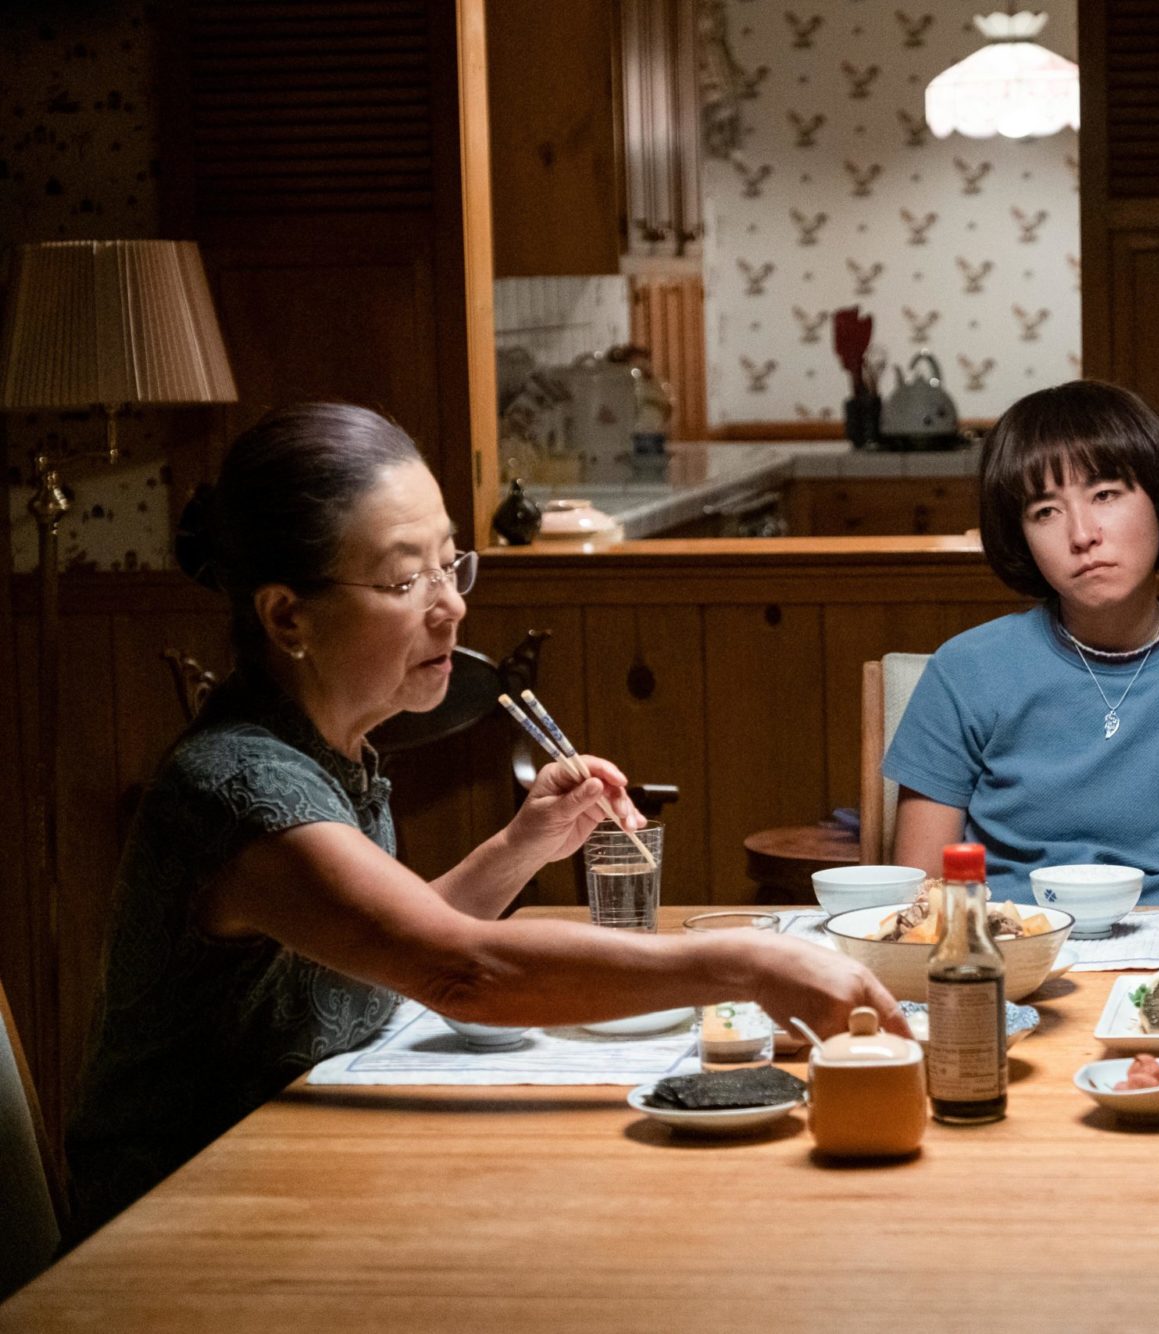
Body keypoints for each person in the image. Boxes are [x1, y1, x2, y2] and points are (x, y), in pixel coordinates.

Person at [67, 403, 902, 1234]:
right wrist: (745, 964)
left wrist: (519, 847)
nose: (452, 607)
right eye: (404, 580)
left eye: (448, 564)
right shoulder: (241, 785)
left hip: (293, 1167)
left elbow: (383, 946)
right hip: (179, 1222)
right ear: (288, 616)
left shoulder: (327, 751)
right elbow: (458, 972)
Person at [885, 380, 1159, 906]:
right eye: (1046, 511)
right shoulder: (966, 671)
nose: (1082, 534)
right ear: (1021, 536)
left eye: (1105, 495)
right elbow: (917, 907)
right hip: (1008, 956)